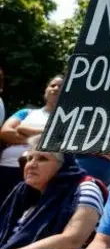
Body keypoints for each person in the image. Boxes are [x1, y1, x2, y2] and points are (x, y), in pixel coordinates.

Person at [0, 135, 106, 249]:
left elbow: (72, 241)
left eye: (42, 158)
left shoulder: (85, 188)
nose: (32, 164)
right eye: (29, 158)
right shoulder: (22, 194)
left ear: (63, 165)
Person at [0, 76, 63, 204]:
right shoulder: (26, 112)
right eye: (52, 85)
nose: (55, 89)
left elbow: (61, 139)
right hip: (7, 167)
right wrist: (45, 135)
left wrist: (24, 130)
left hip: (38, 172)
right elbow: (5, 132)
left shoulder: (67, 119)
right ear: (45, 90)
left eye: (61, 86)